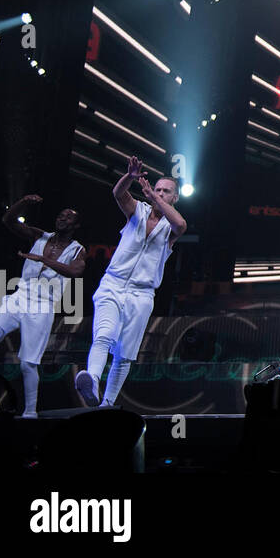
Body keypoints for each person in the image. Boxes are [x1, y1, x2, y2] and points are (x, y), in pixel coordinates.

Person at [76, 156, 187, 408]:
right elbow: (118, 193)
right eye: (156, 189)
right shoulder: (137, 209)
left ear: (174, 198)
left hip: (142, 294)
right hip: (112, 285)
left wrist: (154, 198)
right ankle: (92, 379)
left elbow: (181, 224)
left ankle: (107, 403)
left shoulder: (172, 226)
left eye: (165, 191)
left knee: (124, 354)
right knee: (103, 335)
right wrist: (130, 177)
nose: (158, 193)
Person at [0, 194, 85, 417]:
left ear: (76, 225)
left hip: (42, 306)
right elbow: (8, 220)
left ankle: (30, 413)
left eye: (68, 217)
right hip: (19, 297)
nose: (62, 218)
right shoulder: (40, 236)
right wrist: (24, 202)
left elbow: (75, 272)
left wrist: (44, 261)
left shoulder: (77, 249)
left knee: (28, 363)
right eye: (60, 215)